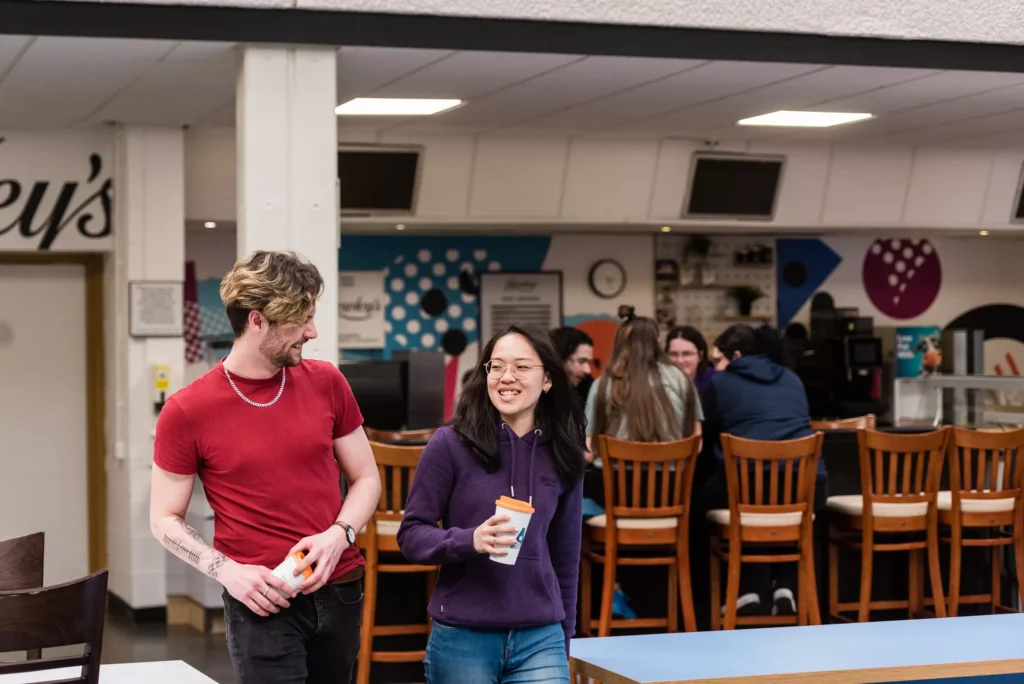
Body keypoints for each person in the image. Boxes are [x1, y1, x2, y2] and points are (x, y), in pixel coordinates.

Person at [150, 250, 382, 684]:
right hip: (260, 601)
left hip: (341, 588)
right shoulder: (187, 410)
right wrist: (226, 570)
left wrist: (339, 534)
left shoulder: (327, 381)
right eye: (301, 320)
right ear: (257, 321)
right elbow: (164, 519)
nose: (312, 332)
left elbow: (366, 478)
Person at [396, 324, 586, 684]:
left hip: (540, 636)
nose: (506, 377)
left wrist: (564, 638)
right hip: (463, 633)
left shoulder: (564, 453)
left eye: (521, 367)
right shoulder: (449, 444)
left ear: (547, 379)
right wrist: (469, 540)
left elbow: (566, 556)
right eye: (496, 366)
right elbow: (412, 536)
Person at [696, 324, 822, 619]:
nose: (716, 368)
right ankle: (785, 587)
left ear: (735, 355)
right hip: (806, 488)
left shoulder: (720, 384)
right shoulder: (792, 378)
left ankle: (741, 592)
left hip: (747, 489)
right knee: (776, 506)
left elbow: (709, 436)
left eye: (718, 360)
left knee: (703, 506)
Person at [585, 316, 702, 462]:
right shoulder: (681, 379)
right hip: (670, 479)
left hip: (615, 480)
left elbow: (588, 449)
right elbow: (697, 443)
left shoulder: (603, 383)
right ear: (658, 344)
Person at [665, 325, 715, 395]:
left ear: (700, 356)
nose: (680, 360)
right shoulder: (661, 382)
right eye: (673, 354)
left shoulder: (713, 382)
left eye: (686, 354)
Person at [550, 326, 594, 405]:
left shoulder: (588, 387)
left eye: (588, 362)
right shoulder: (536, 395)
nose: (588, 370)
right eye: (581, 361)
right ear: (561, 359)